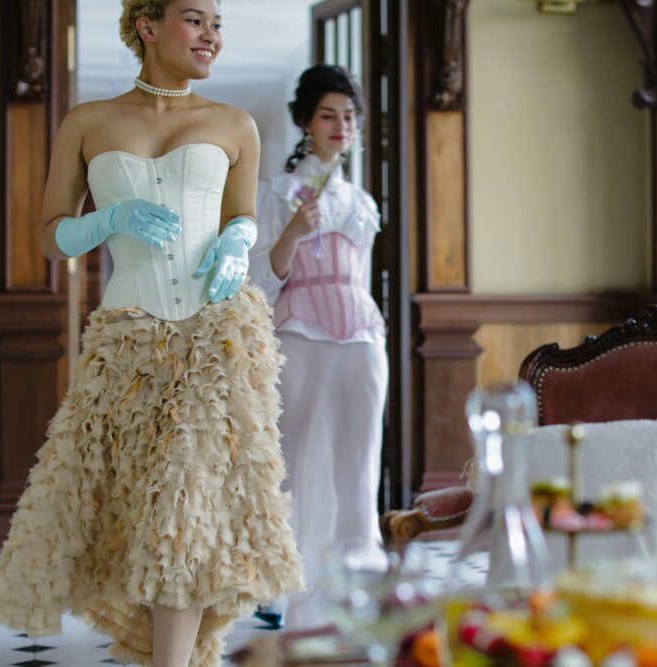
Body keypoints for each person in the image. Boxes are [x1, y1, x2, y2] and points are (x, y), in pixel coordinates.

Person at [0, 2, 303, 666]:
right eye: (195, 19)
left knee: (184, 507)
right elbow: (49, 235)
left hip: (215, 337)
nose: (212, 34)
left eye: (217, 22)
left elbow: (242, 214)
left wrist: (238, 244)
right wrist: (108, 220)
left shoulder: (234, 124)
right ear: (148, 28)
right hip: (128, 341)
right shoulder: (87, 122)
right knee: (138, 512)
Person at [249, 64, 387, 631]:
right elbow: (258, 281)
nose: (341, 125)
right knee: (294, 462)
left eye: (349, 117)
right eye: (329, 115)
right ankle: (282, 589)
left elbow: (364, 276)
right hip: (298, 335)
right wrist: (292, 234)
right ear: (306, 122)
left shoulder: (361, 202)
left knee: (359, 467)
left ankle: (357, 588)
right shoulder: (277, 194)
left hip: (361, 337)